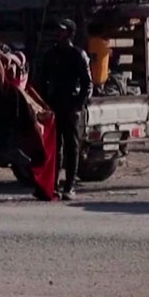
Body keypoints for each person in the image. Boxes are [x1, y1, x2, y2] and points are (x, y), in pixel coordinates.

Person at [38, 19, 92, 201]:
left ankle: (70, 186)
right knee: (55, 148)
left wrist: (78, 105)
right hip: (54, 107)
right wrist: (44, 104)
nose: (58, 34)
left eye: (62, 31)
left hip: (70, 107)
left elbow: (87, 83)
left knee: (72, 148)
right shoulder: (50, 55)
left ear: (70, 33)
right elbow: (42, 80)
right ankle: (52, 186)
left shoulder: (77, 55)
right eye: (57, 31)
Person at [86, 25, 112, 91]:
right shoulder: (105, 43)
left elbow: (92, 58)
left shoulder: (94, 42)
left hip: (95, 77)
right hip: (103, 77)